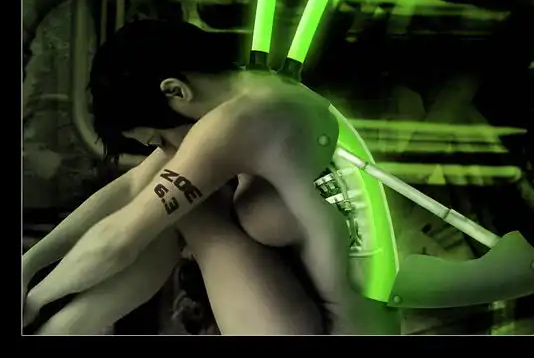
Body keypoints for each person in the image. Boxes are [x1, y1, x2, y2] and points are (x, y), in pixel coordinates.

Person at [23, 19, 395, 335]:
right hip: (341, 319)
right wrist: (30, 264)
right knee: (168, 201)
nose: (169, 152)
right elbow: (132, 186)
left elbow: (120, 238)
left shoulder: (236, 122)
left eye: (161, 140)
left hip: (338, 327)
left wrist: (37, 299)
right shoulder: (259, 93)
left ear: (175, 90)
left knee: (185, 211)